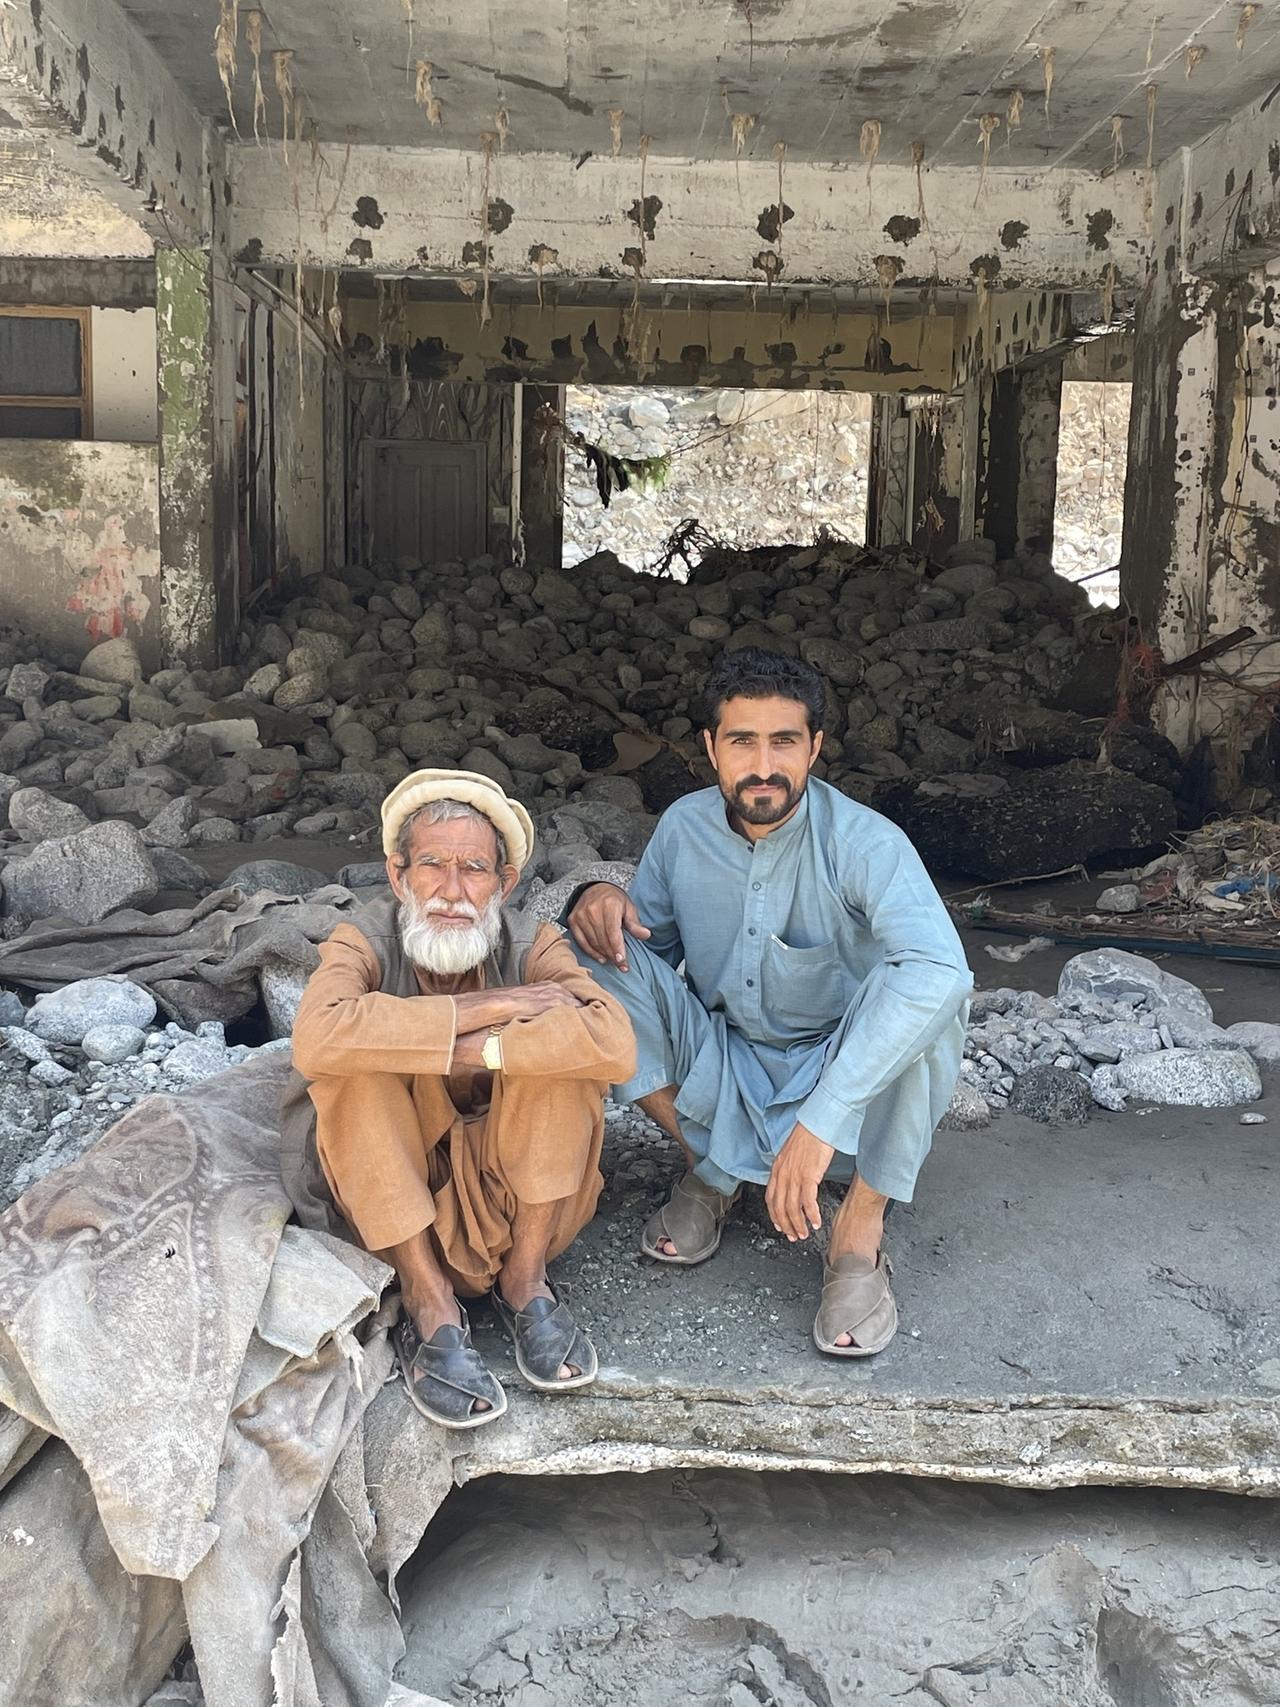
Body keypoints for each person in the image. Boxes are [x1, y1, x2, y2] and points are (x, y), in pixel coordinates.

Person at [567, 648, 973, 1357]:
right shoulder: (683, 829)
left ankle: (857, 1230)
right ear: (710, 749)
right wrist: (593, 900)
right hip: (727, 1066)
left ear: (814, 747)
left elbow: (940, 971)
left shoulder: (865, 842)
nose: (763, 764)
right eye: (741, 741)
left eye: (783, 740)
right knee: (589, 958)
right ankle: (713, 1166)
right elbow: (645, 961)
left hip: (840, 1094)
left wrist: (823, 1120)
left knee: (930, 983)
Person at [285, 769, 636, 1429]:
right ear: (398, 876)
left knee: (563, 1057)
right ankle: (429, 1300)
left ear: (503, 885)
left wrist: (490, 1051)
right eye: (432, 865)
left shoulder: (532, 941)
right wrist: (502, 1004)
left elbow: (614, 1043)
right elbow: (317, 1037)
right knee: (351, 1066)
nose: (451, 891)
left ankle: (525, 1280)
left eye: (474, 869)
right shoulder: (362, 938)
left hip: (521, 1203)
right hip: (395, 1208)